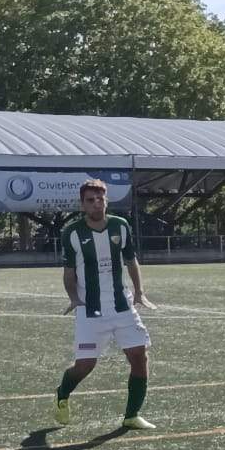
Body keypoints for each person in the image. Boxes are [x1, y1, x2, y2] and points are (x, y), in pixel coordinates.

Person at [53, 178, 154, 430]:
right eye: (91, 200)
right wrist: (73, 298)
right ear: (82, 204)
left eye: (101, 198)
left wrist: (139, 292)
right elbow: (68, 272)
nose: (97, 203)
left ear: (106, 200)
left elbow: (131, 260)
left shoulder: (120, 225)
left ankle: (131, 415)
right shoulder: (72, 232)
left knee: (139, 356)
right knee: (85, 366)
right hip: (91, 310)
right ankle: (62, 393)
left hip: (122, 306)